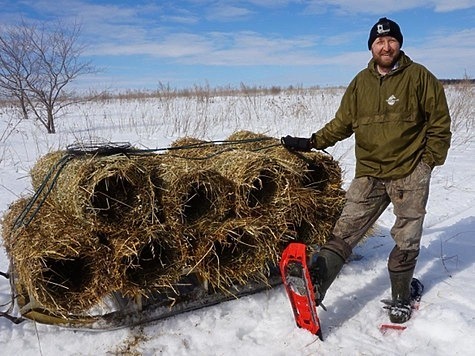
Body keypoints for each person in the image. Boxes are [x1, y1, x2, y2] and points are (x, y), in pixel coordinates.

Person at [281, 17, 451, 324]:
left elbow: (440, 126)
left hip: (409, 172)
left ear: (399, 43)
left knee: (407, 238)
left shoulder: (420, 77)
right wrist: (312, 141)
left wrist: (427, 164)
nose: (386, 47)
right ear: (371, 47)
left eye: (391, 41)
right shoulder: (360, 82)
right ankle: (315, 284)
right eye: (379, 42)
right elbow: (342, 123)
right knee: (345, 230)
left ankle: (400, 298)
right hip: (369, 173)